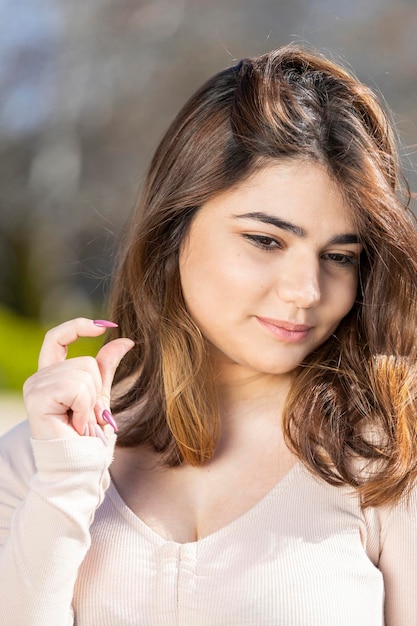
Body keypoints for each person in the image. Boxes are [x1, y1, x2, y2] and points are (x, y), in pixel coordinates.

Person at [0, 44, 417, 626]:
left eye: (340, 255)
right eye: (266, 240)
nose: (307, 290)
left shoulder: (390, 452)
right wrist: (64, 486)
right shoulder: (35, 458)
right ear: (176, 229)